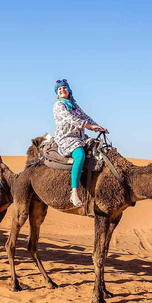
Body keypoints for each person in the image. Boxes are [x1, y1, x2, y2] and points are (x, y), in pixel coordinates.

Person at [52, 79, 108, 207]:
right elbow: (71, 119)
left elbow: (85, 116)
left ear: (69, 90)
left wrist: (99, 127)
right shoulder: (58, 105)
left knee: (100, 151)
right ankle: (74, 192)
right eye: (59, 89)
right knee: (80, 156)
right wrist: (89, 126)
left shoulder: (74, 105)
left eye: (64, 88)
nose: (62, 90)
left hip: (80, 137)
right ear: (57, 94)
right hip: (66, 138)